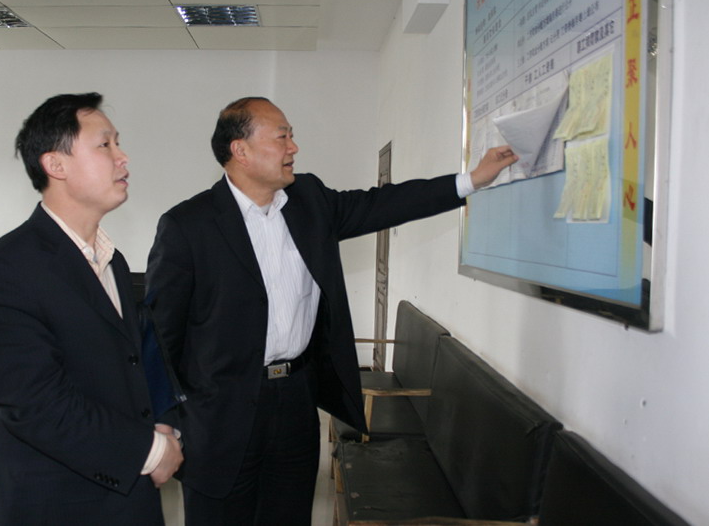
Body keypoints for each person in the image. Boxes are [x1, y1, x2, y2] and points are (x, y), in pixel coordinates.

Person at [145, 96, 517, 525]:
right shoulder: (187, 225)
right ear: (240, 150)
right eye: (282, 137)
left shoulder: (310, 201)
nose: (293, 147)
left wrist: (472, 180)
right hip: (218, 413)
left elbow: (385, 203)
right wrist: (165, 422)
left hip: (296, 400)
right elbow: (160, 334)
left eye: (291, 136)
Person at [0, 92, 183, 526]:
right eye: (105, 145)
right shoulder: (3, 270)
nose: (123, 157)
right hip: (57, 505)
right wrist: (150, 450)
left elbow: (131, 362)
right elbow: (35, 405)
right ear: (55, 165)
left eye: (118, 143)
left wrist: (165, 424)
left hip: (128, 497)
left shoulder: (112, 260)